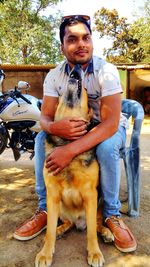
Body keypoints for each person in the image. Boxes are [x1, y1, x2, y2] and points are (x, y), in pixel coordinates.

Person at [14, 14, 137, 253]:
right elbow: (46, 117)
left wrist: (69, 150)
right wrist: (53, 128)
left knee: (106, 145)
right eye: (73, 39)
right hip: (71, 125)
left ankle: (110, 213)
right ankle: (46, 208)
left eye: (86, 38)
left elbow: (111, 124)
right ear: (62, 47)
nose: (81, 44)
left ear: (91, 41)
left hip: (108, 126)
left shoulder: (107, 71)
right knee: (41, 138)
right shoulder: (54, 75)